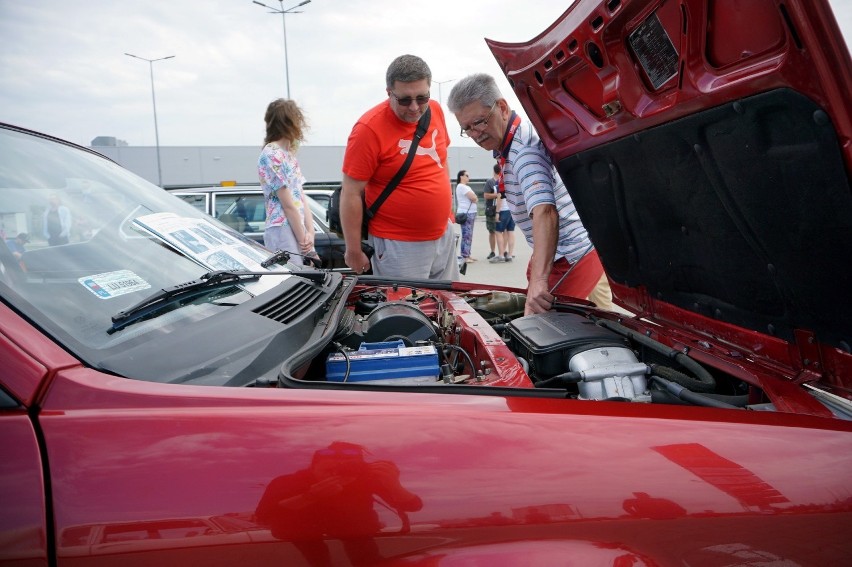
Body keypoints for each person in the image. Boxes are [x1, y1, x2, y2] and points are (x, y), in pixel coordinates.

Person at [447, 73, 604, 315]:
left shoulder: (524, 152)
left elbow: (545, 211)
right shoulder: (510, 144)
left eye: (479, 122)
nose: (475, 134)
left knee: (541, 328)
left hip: (570, 258)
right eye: (466, 128)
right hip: (568, 254)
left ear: (501, 107)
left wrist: (540, 281)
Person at [340, 54, 458, 280]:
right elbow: (351, 192)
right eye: (405, 100)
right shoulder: (368, 129)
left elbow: (442, 161)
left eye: (421, 97)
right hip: (399, 243)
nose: (414, 108)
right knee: (406, 312)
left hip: (443, 235)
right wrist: (353, 250)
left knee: (446, 311)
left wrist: (448, 214)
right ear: (389, 93)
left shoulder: (435, 111)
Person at [258, 98, 317, 266]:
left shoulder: (287, 154)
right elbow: (288, 204)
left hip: (294, 227)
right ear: (290, 122)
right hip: (283, 228)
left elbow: (299, 196)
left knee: (301, 282)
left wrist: (310, 234)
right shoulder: (272, 154)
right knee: (294, 281)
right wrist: (306, 241)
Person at [455, 170, 477, 263]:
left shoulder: (465, 187)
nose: (468, 178)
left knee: (469, 235)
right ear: (461, 176)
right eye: (467, 175)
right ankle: (465, 256)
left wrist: (474, 198)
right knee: (466, 235)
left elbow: (474, 198)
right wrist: (474, 198)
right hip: (466, 213)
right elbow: (473, 197)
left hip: (470, 213)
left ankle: (467, 254)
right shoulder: (461, 186)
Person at [482, 163, 500, 259]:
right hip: (491, 210)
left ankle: (504, 251)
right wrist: (498, 195)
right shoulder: (490, 182)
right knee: (492, 231)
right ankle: (493, 251)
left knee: (504, 231)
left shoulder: (504, 181)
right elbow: (486, 195)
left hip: (502, 209)